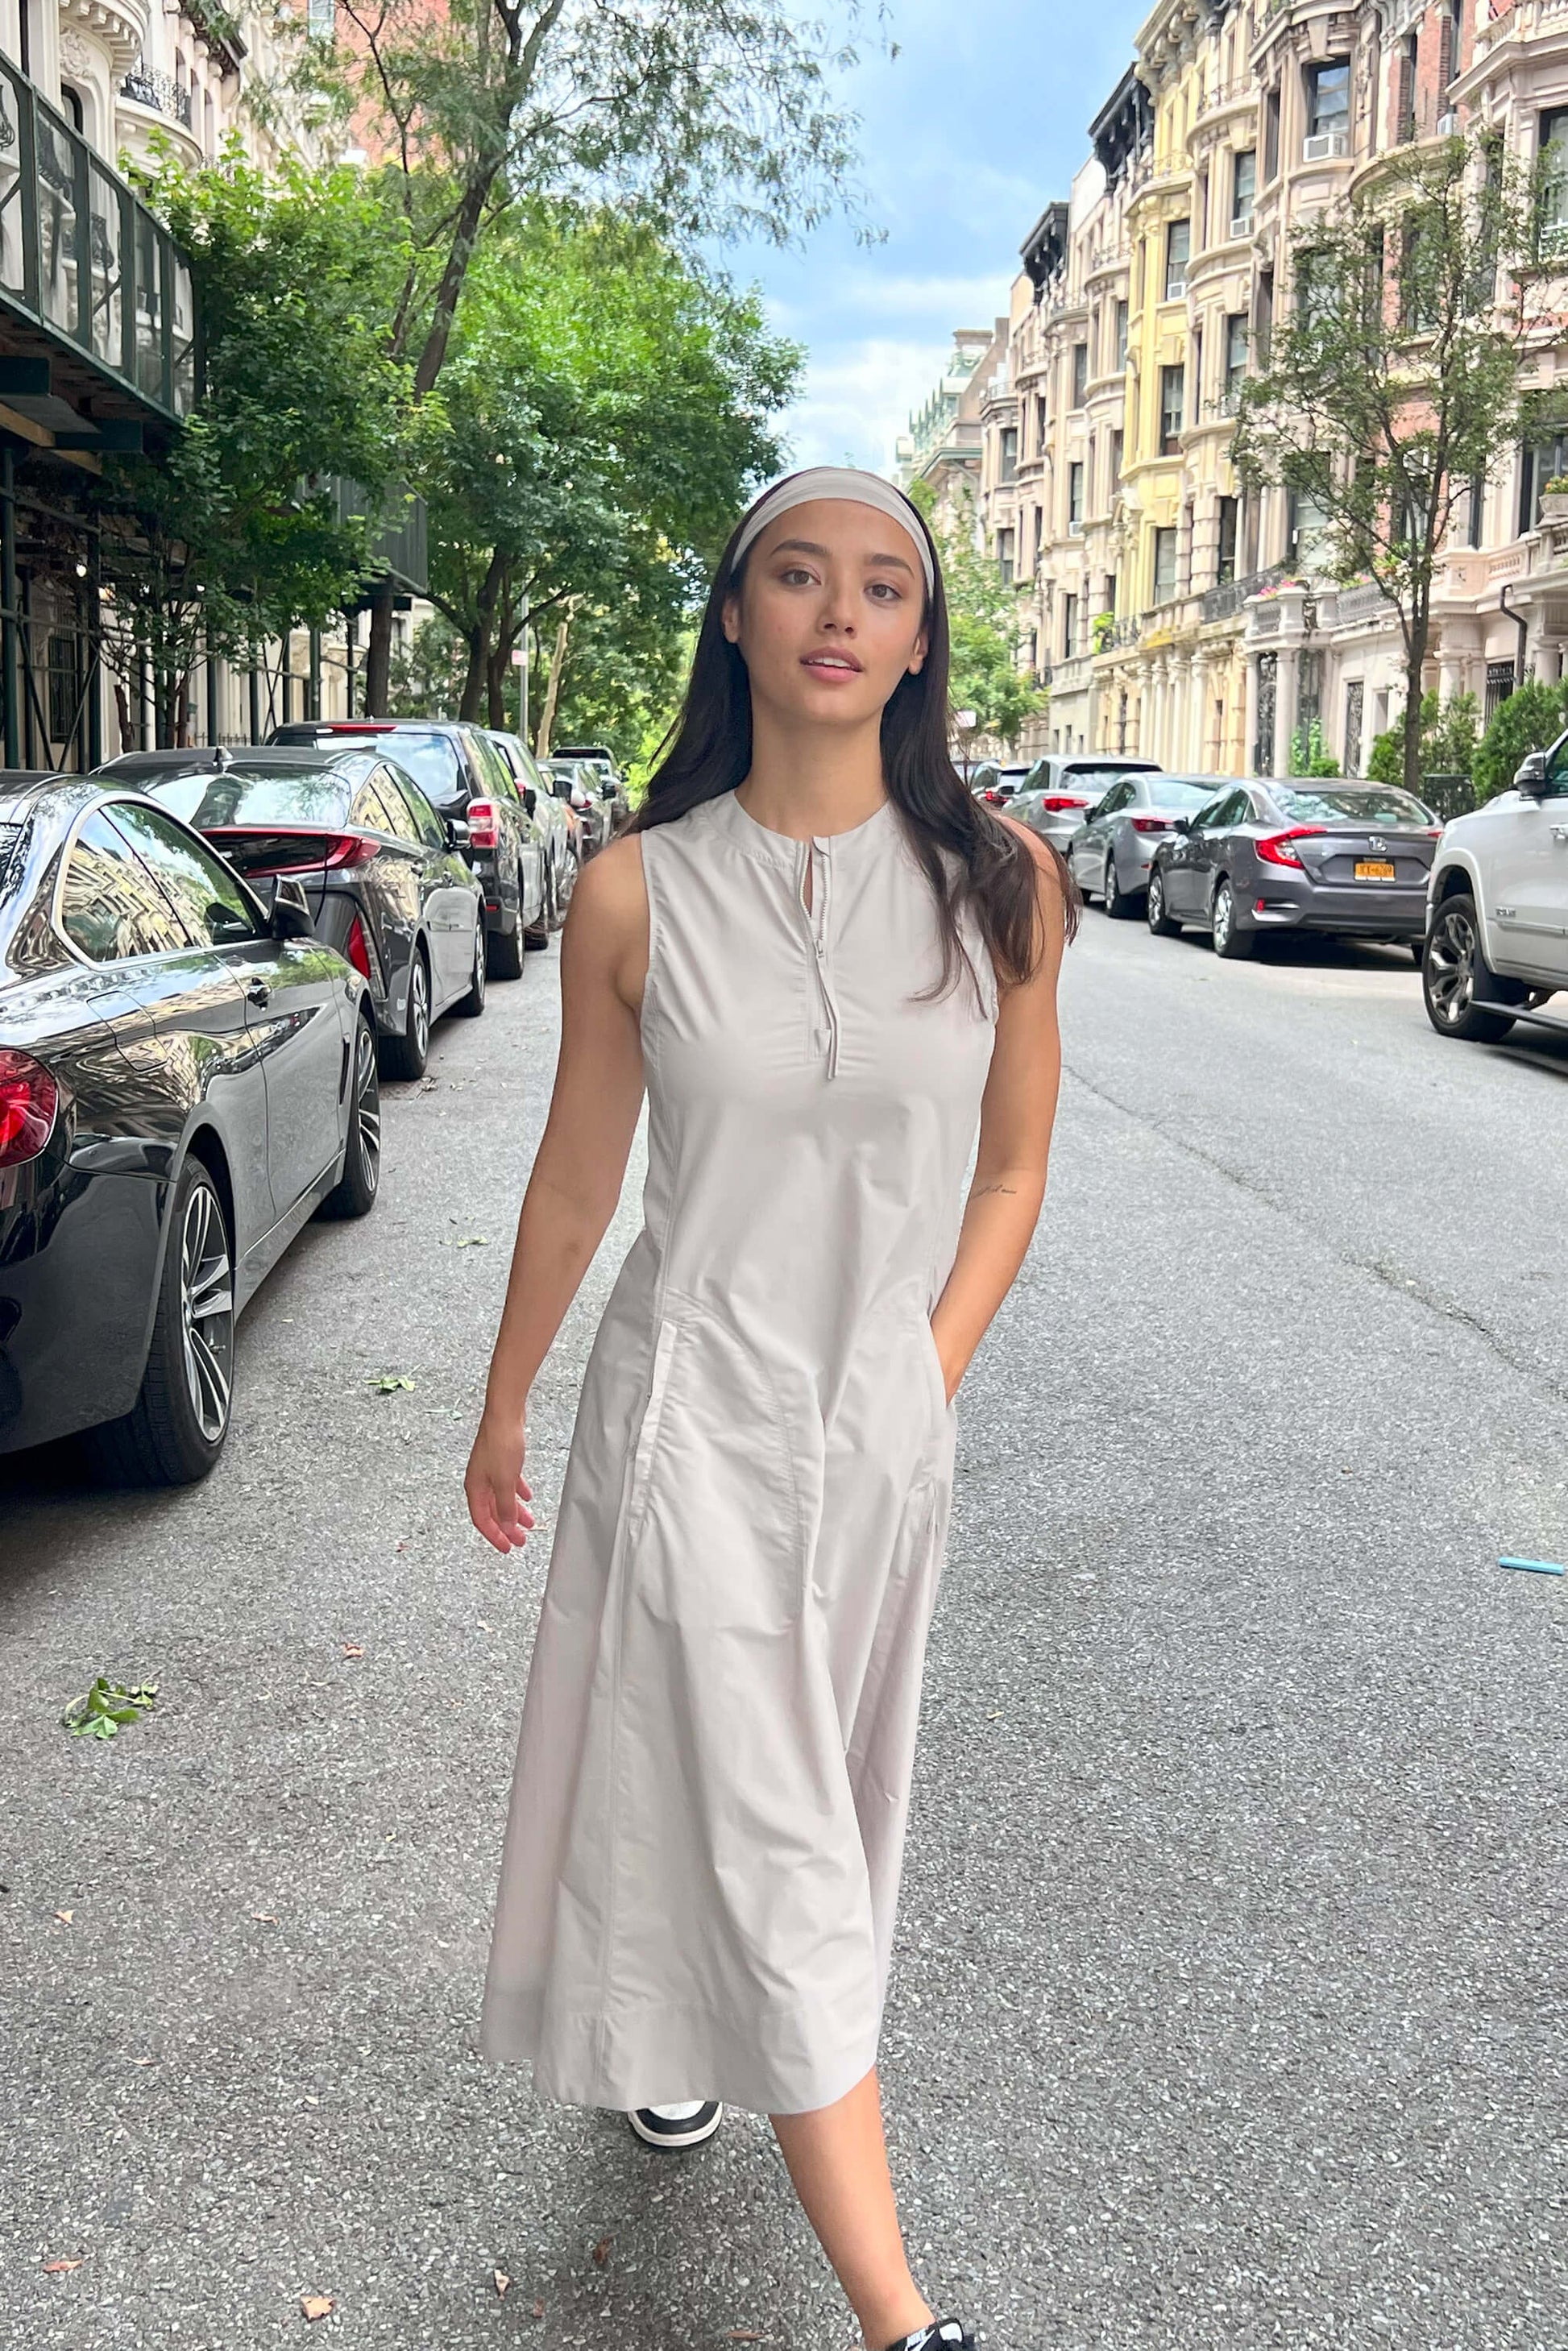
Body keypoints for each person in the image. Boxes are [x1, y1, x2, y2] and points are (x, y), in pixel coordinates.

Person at [466, 465, 1074, 2350]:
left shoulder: (1000, 880)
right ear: (734, 616)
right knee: (786, 1824)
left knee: (815, 1778)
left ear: (918, 639)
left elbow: (1009, 1170)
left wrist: (923, 1363)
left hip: (880, 1429)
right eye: (797, 576)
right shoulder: (639, 887)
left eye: (884, 586)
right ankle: (901, 2321)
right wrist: (500, 1408)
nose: (840, 610)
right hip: (686, 1423)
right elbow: (579, 1175)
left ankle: (682, 2035)